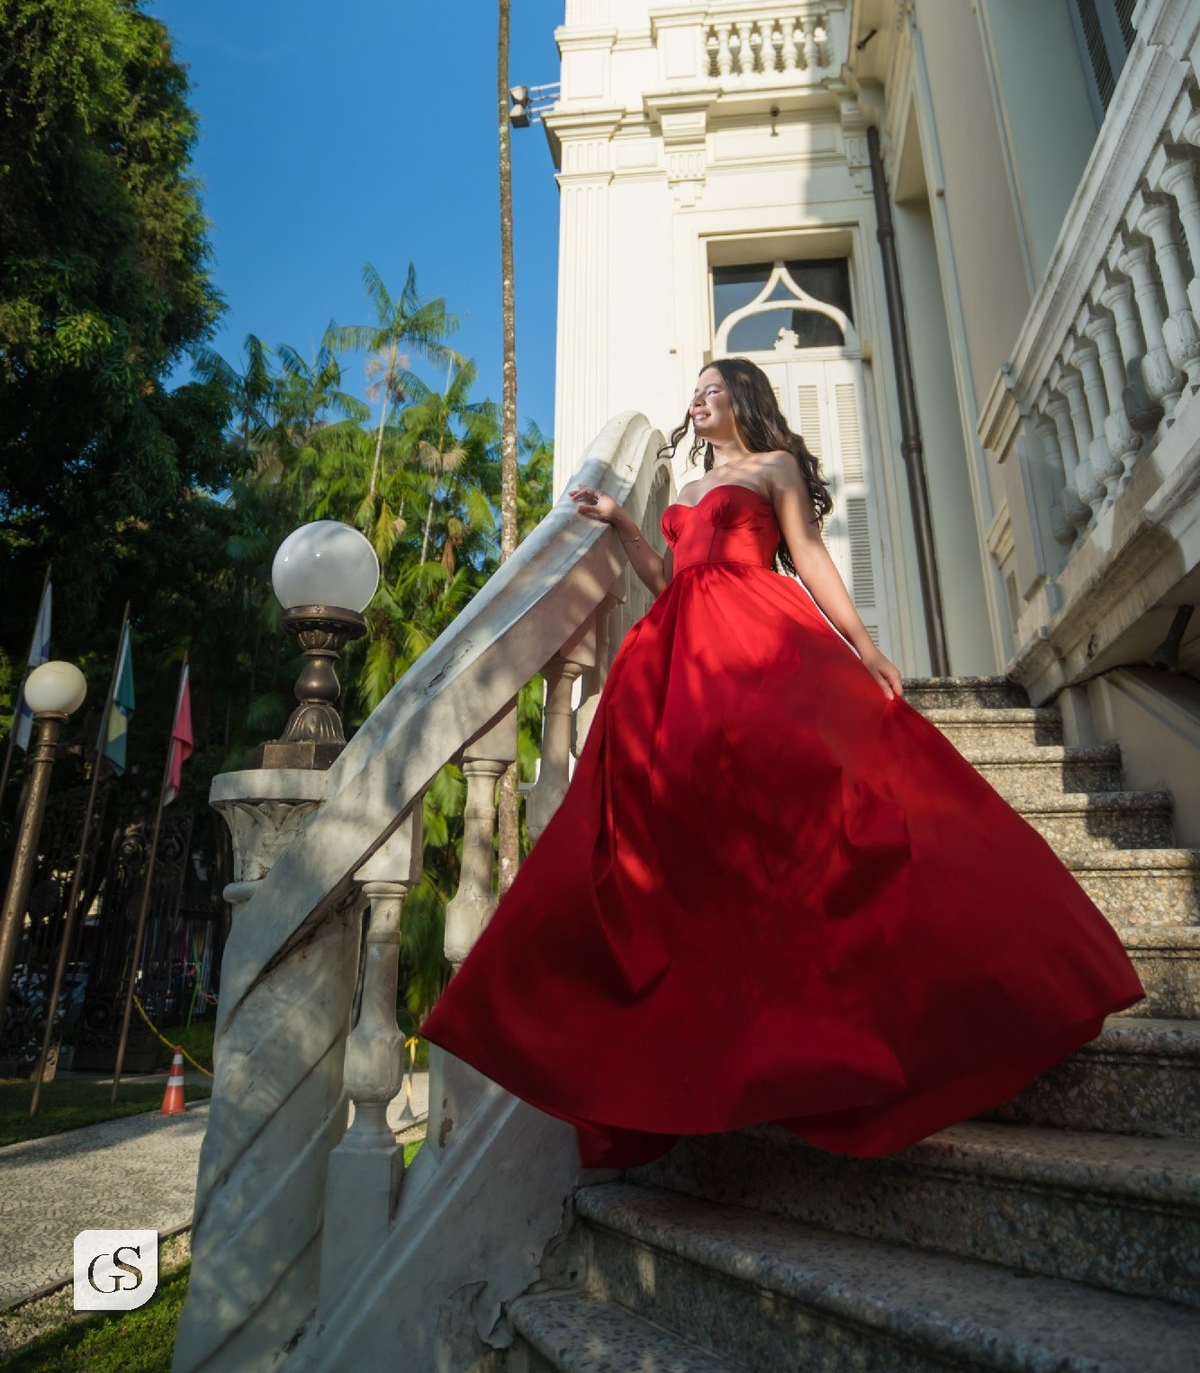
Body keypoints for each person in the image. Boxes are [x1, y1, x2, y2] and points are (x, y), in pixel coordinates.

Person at [421, 358, 1145, 1168]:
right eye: (692, 391)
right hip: (674, 657)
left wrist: (864, 646)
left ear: (744, 399)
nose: (697, 400)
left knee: (823, 798)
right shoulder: (689, 492)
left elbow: (807, 557)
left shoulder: (775, 468)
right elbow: (669, 580)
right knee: (664, 835)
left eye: (711, 388)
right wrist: (627, 528)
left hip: (758, 636)